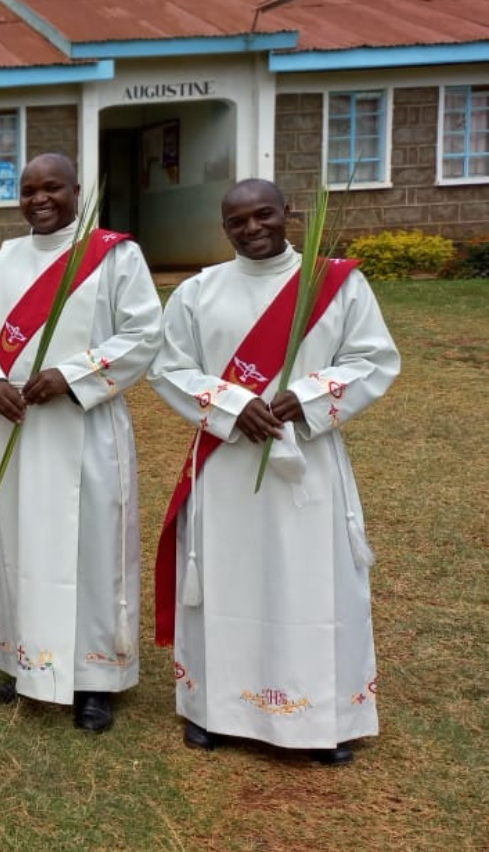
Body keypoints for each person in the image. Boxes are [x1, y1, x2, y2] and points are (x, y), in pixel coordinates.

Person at [149, 178, 399, 764]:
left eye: (265, 214)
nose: (252, 228)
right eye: (237, 221)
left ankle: (322, 717)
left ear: (289, 213)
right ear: (224, 227)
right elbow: (169, 368)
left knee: (311, 585)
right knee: (227, 583)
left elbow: (373, 357)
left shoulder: (336, 285)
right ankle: (216, 710)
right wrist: (232, 406)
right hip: (229, 461)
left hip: (306, 464)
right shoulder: (197, 292)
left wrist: (309, 397)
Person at [0, 154, 162, 732]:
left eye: (52, 187)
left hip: (85, 431)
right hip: (17, 428)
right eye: (28, 190)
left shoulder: (114, 256)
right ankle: (22, 660)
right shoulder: (0, 264)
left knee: (89, 548)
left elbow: (144, 333)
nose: (39, 199)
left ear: (78, 190)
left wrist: (74, 375)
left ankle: (93, 678)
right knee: (18, 542)